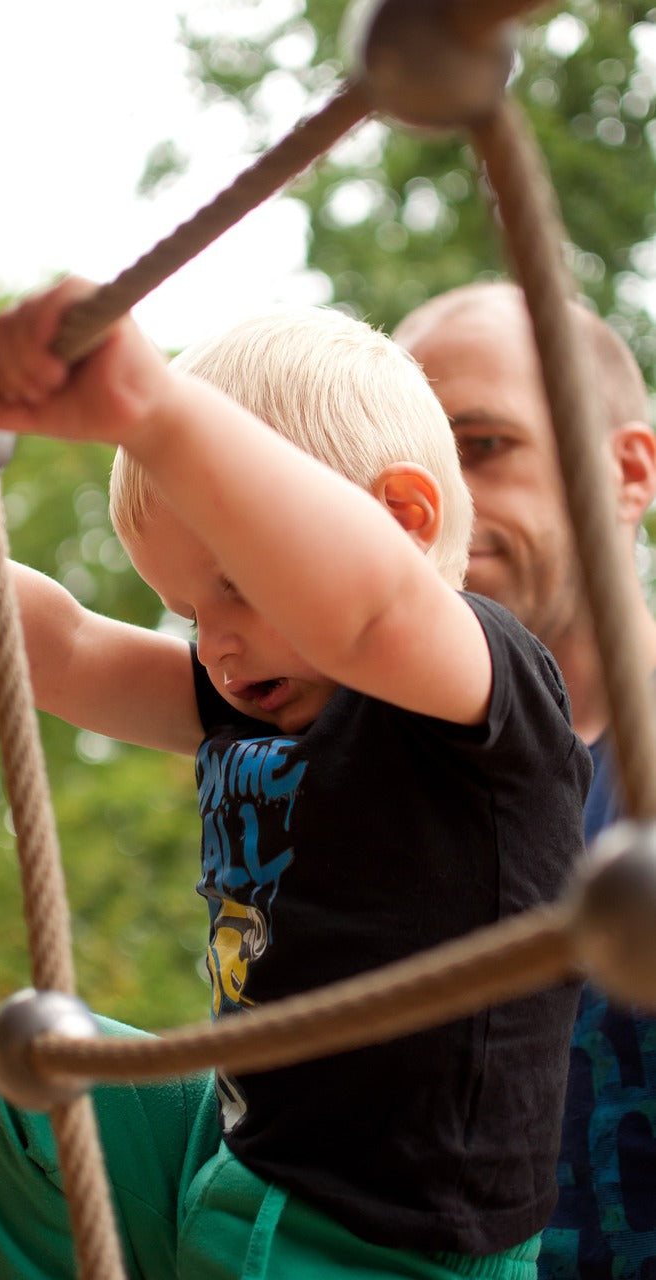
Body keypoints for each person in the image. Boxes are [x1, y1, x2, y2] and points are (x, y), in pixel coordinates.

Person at [0, 283, 591, 1280]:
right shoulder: (256, 686)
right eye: (187, 609)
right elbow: (58, 645)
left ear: (399, 521)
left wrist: (157, 409)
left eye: (238, 582)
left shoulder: (476, 691)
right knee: (26, 1082)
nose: (214, 644)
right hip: (237, 1152)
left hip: (392, 1234)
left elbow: (374, 608)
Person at [394, 280, 656, 1280]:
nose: (436, 506)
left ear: (626, 473)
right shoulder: (362, 809)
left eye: (483, 446)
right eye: (401, 475)